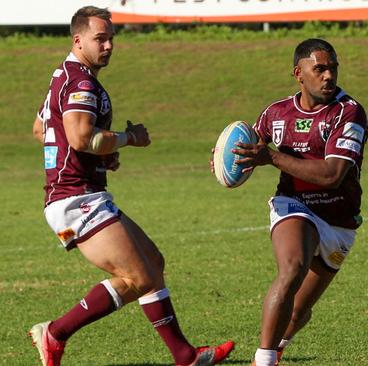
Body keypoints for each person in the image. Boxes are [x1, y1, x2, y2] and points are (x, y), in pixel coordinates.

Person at [30, 6, 233, 366]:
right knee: (138, 276)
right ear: (78, 40)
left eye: (111, 38)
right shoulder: (80, 81)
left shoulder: (62, 75)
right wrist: (128, 138)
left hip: (82, 192)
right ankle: (57, 333)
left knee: (152, 263)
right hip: (75, 198)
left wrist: (100, 156)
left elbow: (41, 129)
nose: (108, 45)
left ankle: (183, 355)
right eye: (100, 39)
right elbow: (79, 137)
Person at [231, 38, 368, 366]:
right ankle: (263, 361)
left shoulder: (347, 112)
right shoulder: (276, 113)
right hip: (294, 205)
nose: (328, 76)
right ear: (299, 73)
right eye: (319, 68)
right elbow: (250, 145)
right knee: (292, 268)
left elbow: (332, 174)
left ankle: (277, 348)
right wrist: (227, 157)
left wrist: (271, 158)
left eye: (332, 68)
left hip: (340, 220)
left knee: (298, 312)